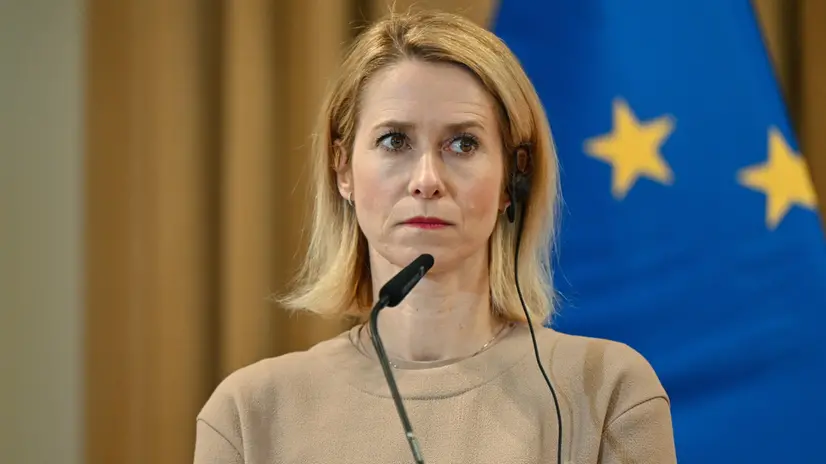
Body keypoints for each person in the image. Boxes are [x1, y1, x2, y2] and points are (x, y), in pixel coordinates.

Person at [194, 9, 677, 464]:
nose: (426, 180)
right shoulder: (249, 414)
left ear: (513, 178)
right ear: (342, 169)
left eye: (463, 144)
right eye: (394, 141)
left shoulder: (605, 388)